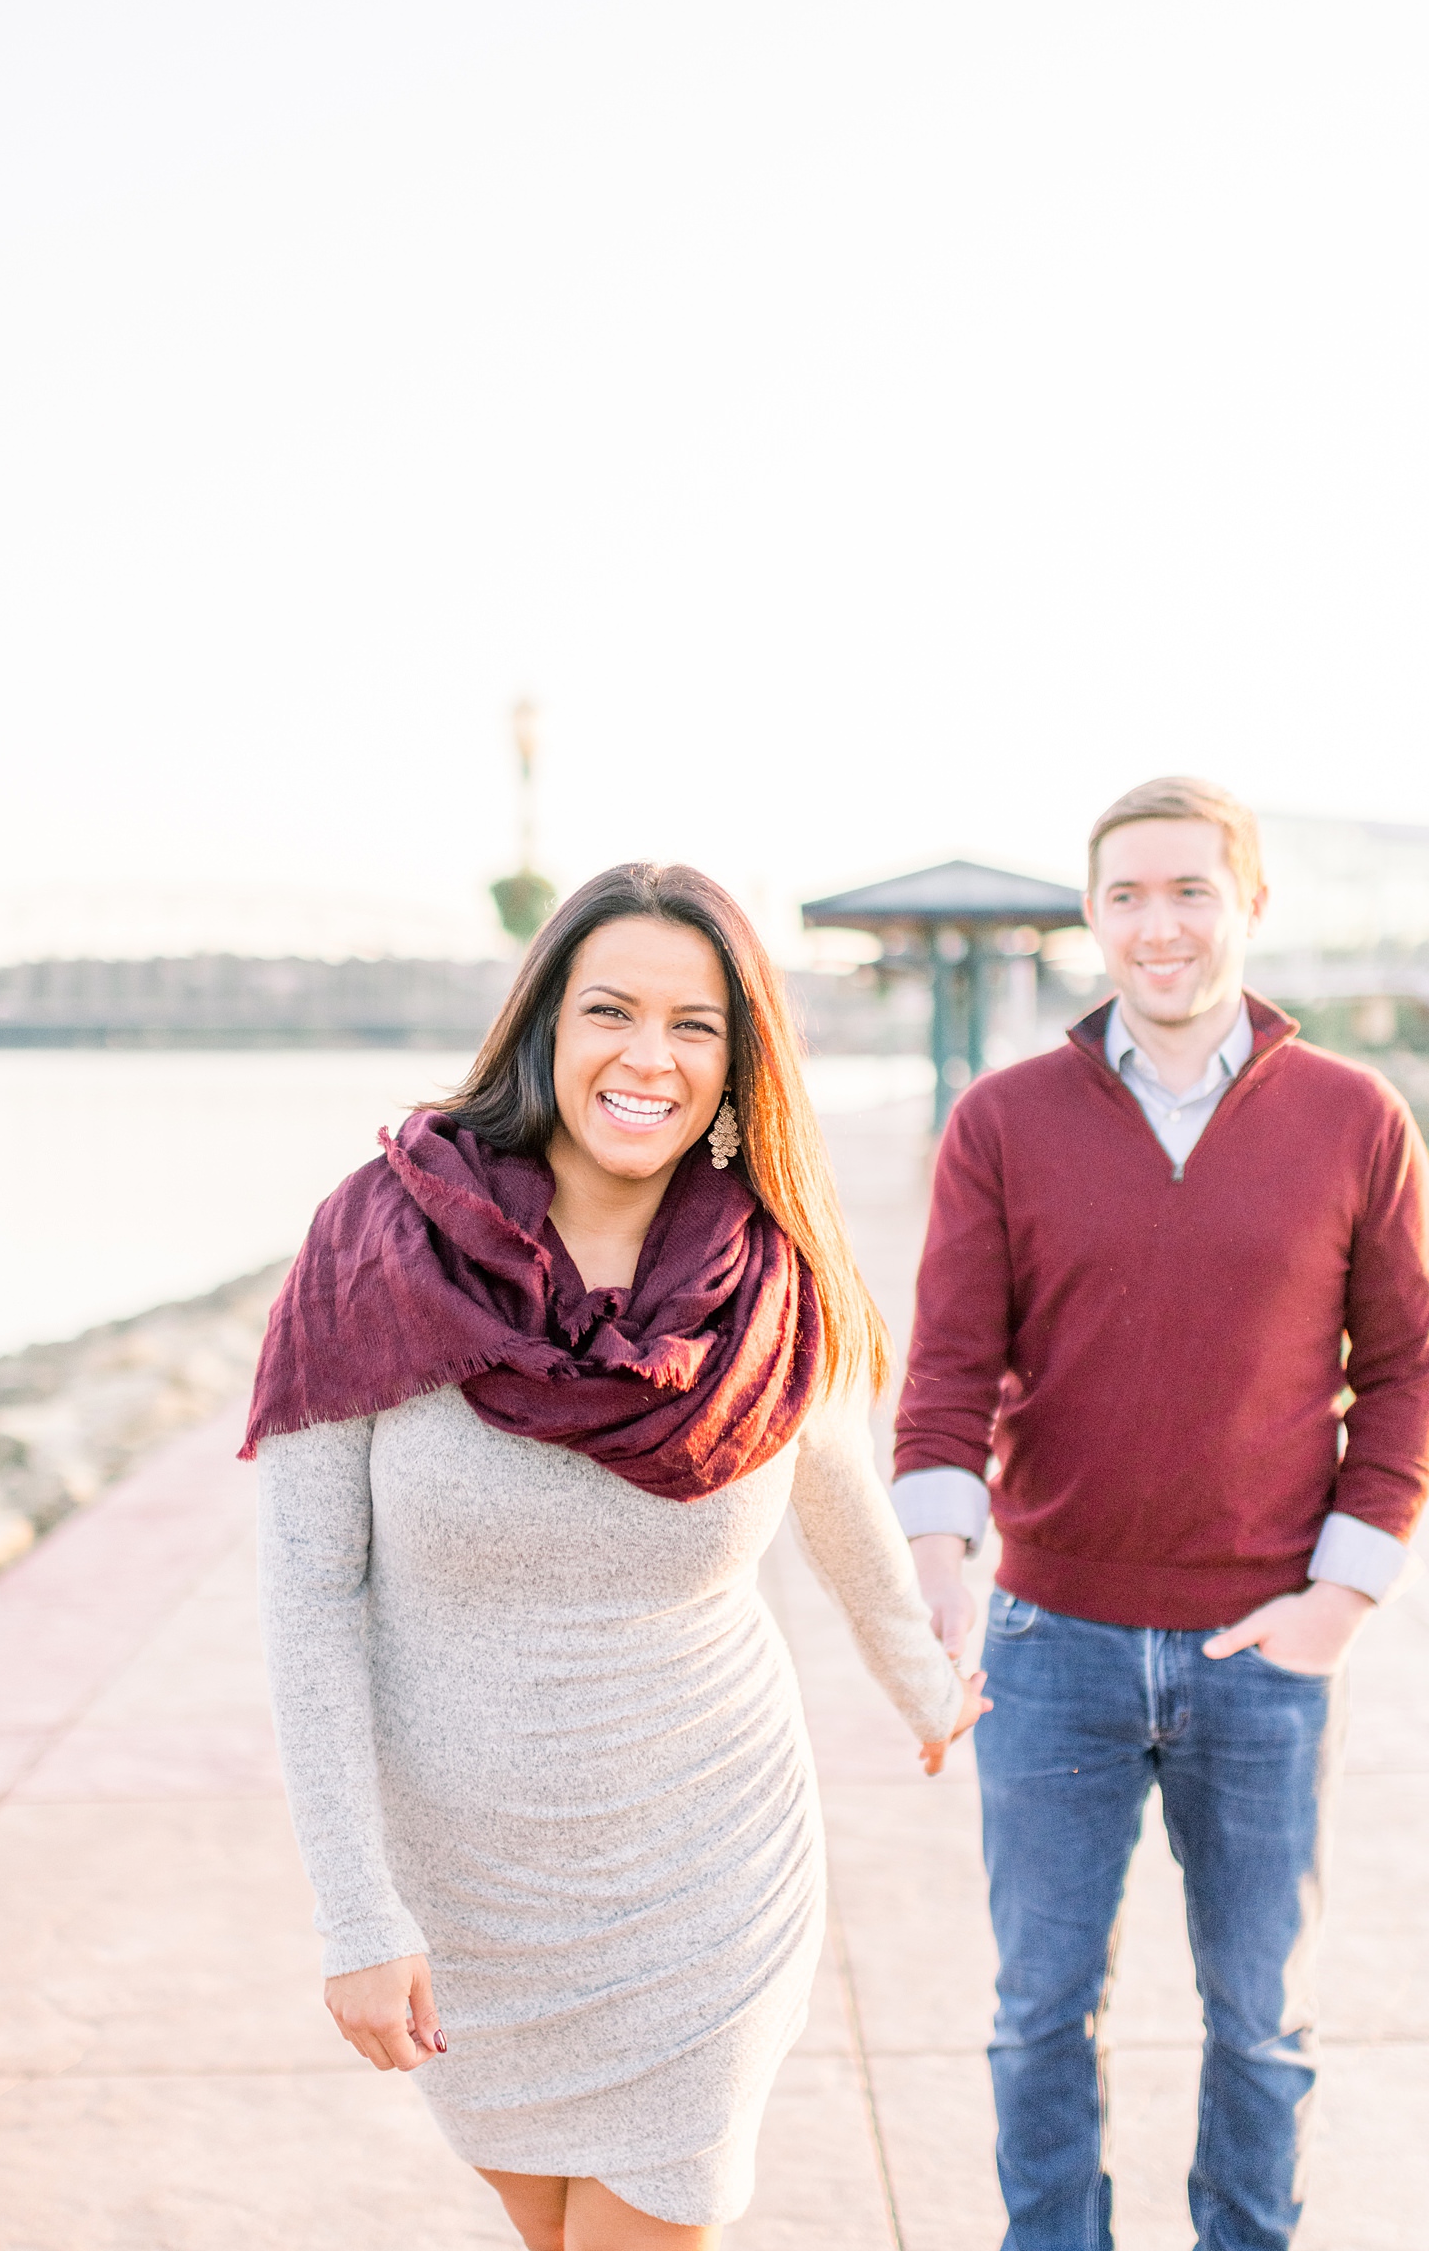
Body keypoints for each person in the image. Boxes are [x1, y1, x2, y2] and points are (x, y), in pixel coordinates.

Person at [246, 862, 988, 2251]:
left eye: (696, 1025)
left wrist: (928, 1682)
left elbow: (838, 1498)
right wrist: (355, 1916)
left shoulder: (774, 1277)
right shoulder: (379, 1245)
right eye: (613, 1012)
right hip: (472, 1895)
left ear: (737, 1059)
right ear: (543, 1026)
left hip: (706, 1861)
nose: (650, 1057)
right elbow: (308, 1597)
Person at [893, 776, 1429, 2251]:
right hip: (1048, 1646)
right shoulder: (1002, 1122)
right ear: (1090, 917)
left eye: (1191, 889)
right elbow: (944, 1369)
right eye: (1126, 894)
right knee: (1039, 2016)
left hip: (1262, 1657)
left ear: (1252, 904)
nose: (1159, 924)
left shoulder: (1353, 1119)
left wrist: (1342, 1600)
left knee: (1263, 2024)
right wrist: (938, 1575)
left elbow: (1403, 1375)